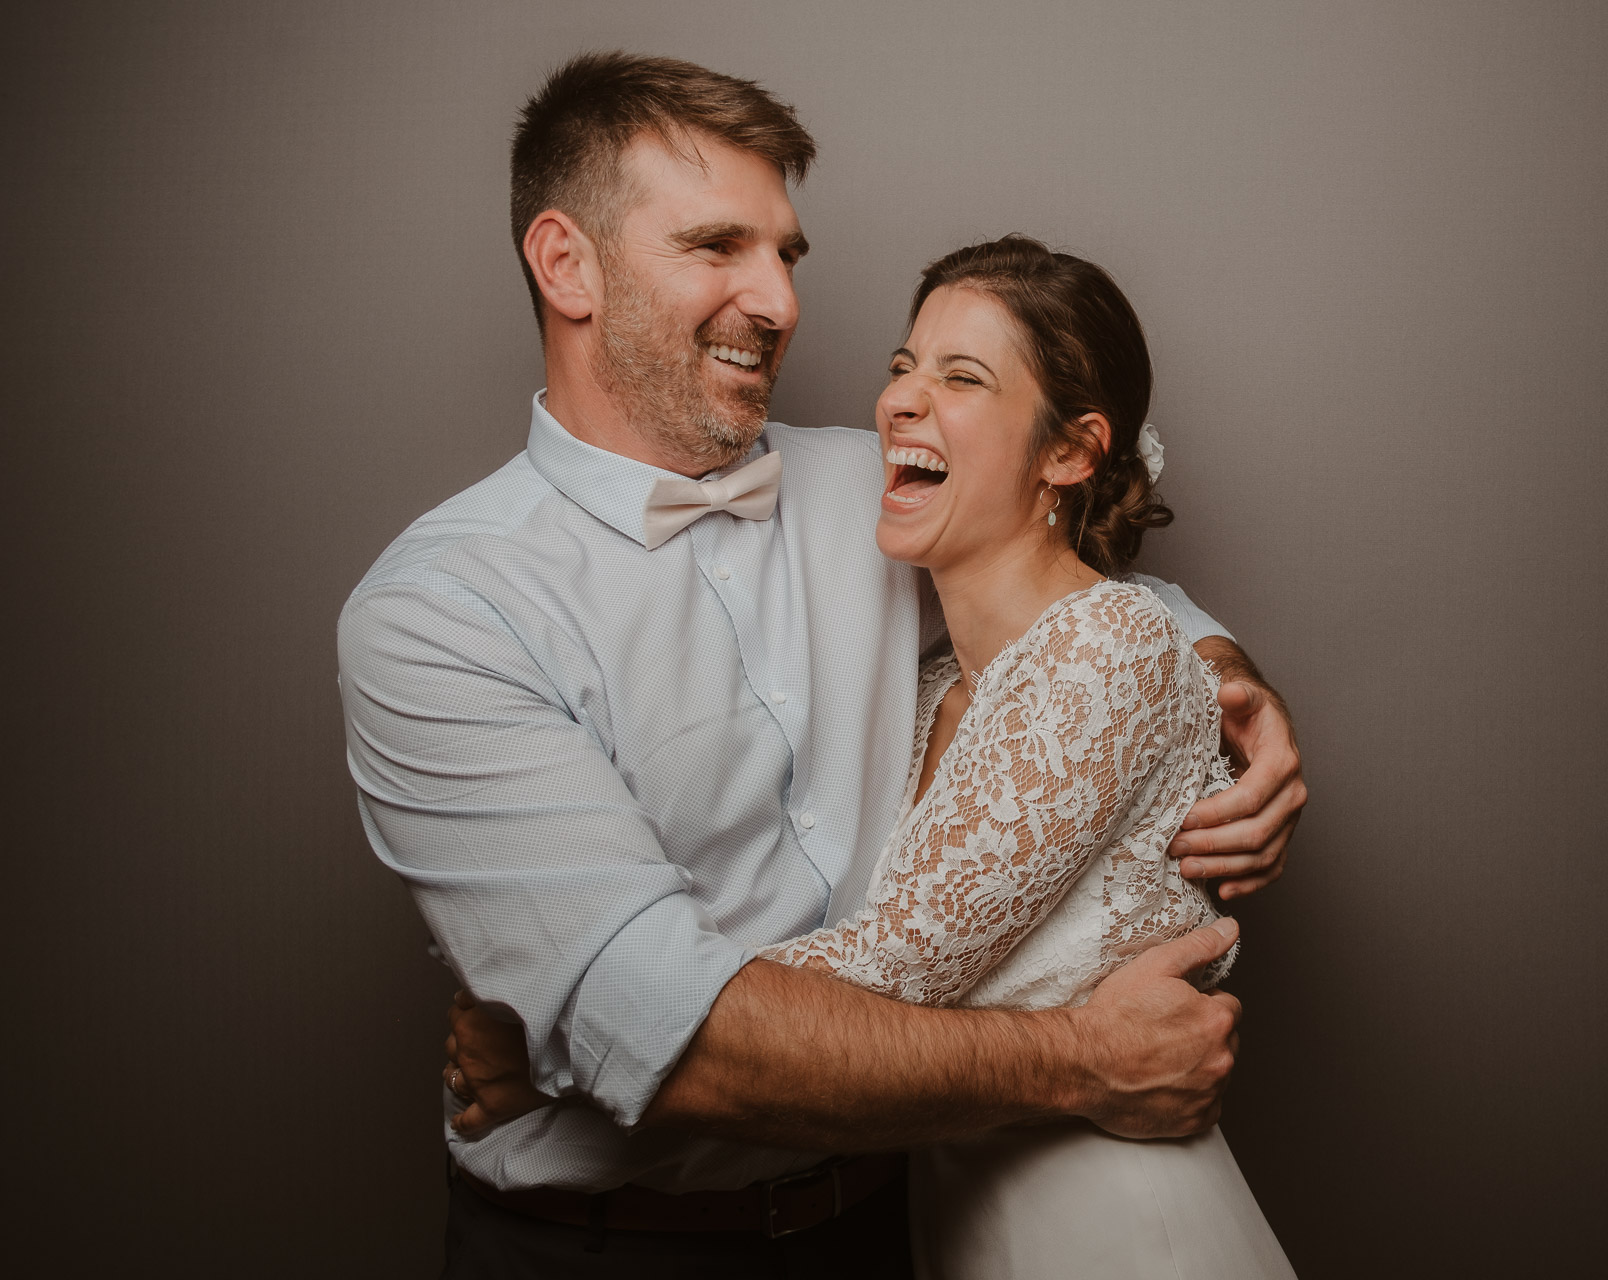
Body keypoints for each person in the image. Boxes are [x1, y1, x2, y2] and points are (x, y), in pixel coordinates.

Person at [339, 53, 1304, 1276]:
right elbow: (674, 1034)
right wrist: (1085, 1059)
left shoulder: (877, 488)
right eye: (717, 245)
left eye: (785, 254)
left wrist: (1233, 685)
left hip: (880, 1221)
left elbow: (1095, 598)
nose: (781, 301)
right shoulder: (443, 610)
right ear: (565, 264)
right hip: (609, 1250)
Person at [754, 234, 1297, 1276]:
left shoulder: (1110, 645)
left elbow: (891, 972)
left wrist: (593, 1010)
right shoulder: (932, 691)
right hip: (957, 1215)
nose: (902, 399)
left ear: (1070, 451)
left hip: (1115, 1223)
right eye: (902, 364)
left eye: (962, 376)